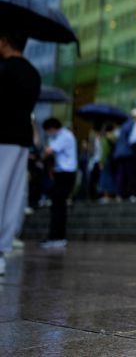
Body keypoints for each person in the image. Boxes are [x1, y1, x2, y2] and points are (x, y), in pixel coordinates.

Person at [0, 32, 41, 274]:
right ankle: (2, 252)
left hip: (2, 136)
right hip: (21, 138)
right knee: (12, 195)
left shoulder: (4, 69)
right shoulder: (33, 73)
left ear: (5, 40)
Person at [41, 118, 77, 249]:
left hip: (65, 174)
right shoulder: (61, 136)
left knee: (58, 206)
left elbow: (48, 151)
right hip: (62, 173)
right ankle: (56, 237)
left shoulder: (64, 136)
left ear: (51, 128)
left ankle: (57, 237)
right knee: (57, 206)